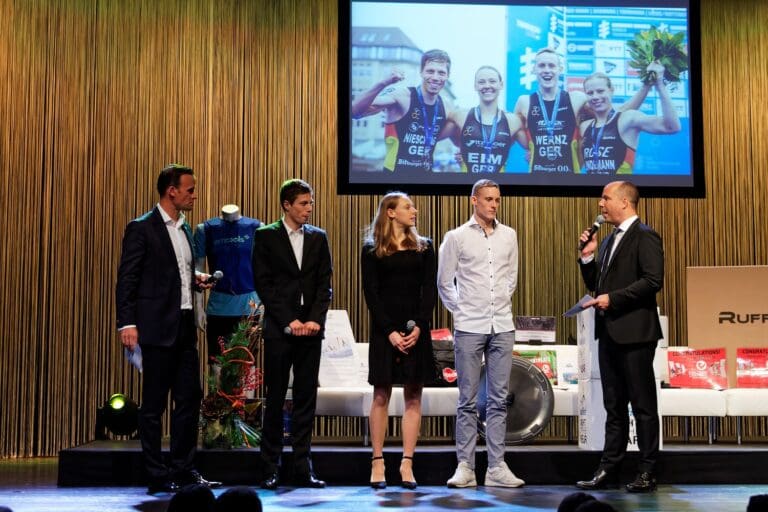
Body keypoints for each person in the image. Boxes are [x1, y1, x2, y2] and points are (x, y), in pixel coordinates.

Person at [116, 164, 221, 494]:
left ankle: (184, 469)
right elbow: (128, 279)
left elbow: (176, 273)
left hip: (185, 327)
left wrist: (195, 280)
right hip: (157, 328)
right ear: (170, 191)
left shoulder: (186, 229)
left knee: (189, 398)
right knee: (153, 405)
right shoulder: (142, 228)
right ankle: (156, 473)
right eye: (189, 189)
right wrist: (127, 323)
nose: (194, 194)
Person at [576, 181, 664, 493]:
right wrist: (588, 258)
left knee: (642, 405)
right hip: (610, 331)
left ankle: (648, 471)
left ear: (625, 202)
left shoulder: (645, 236)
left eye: (605, 198)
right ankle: (608, 468)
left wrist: (614, 299)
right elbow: (597, 286)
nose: (600, 204)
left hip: (636, 333)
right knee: (613, 406)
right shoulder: (611, 238)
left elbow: (653, 280)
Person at [437, 179, 524, 488]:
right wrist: (461, 311)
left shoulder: (510, 236)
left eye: (497, 199)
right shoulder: (456, 237)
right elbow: (444, 282)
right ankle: (466, 466)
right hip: (469, 327)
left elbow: (510, 279)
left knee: (500, 399)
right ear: (474, 200)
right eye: (488, 199)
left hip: (502, 325)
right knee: (468, 400)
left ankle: (497, 466)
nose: (493, 204)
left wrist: (497, 304)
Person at [252, 179, 333, 490]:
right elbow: (264, 284)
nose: (309, 209)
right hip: (279, 330)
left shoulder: (318, 237)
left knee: (305, 400)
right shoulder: (265, 236)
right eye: (303, 203)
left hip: (310, 331)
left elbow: (325, 285)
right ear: (286, 205)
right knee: (274, 400)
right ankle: (270, 467)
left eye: (310, 203)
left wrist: (313, 320)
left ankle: (302, 466)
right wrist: (289, 321)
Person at [361, 192, 437, 490]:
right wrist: (390, 331)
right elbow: (371, 294)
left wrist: (419, 325)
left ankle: (407, 463)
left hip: (416, 328)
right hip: (385, 331)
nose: (414, 210)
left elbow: (429, 290)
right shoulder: (372, 250)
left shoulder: (425, 247)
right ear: (390, 213)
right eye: (407, 207)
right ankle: (377, 462)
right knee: (381, 393)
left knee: (413, 396)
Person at [514, 48, 651, 174]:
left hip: (570, 179)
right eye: (541, 65)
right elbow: (511, 130)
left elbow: (617, 115)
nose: (547, 70)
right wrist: (530, 147)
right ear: (534, 69)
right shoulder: (524, 102)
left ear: (560, 69)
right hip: (537, 179)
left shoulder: (576, 99)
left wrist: (646, 86)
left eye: (552, 65)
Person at [351, 49, 451, 174]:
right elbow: (354, 111)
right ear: (421, 72)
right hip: (394, 178)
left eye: (441, 73)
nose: (435, 77)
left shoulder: (446, 106)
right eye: (430, 71)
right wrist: (384, 83)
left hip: (425, 180)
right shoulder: (402, 96)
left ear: (447, 76)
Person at [579, 63, 681, 175]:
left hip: (619, 191)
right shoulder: (584, 127)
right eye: (590, 93)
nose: (595, 97)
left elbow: (672, 127)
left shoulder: (627, 119)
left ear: (611, 90)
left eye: (600, 91)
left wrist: (660, 84)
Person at [194, 204, 261, 358]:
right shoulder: (205, 229)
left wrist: (265, 308)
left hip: (250, 307)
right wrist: (198, 307)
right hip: (219, 307)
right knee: (217, 365)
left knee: (246, 366)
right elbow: (197, 271)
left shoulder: (256, 228)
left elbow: (264, 270)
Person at [441, 66, 523, 173]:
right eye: (482, 82)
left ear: (501, 85)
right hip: (468, 185)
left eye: (492, 81)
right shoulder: (461, 116)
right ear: (475, 86)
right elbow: (431, 138)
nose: (487, 86)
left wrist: (531, 154)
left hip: (496, 186)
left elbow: (534, 146)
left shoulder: (513, 121)